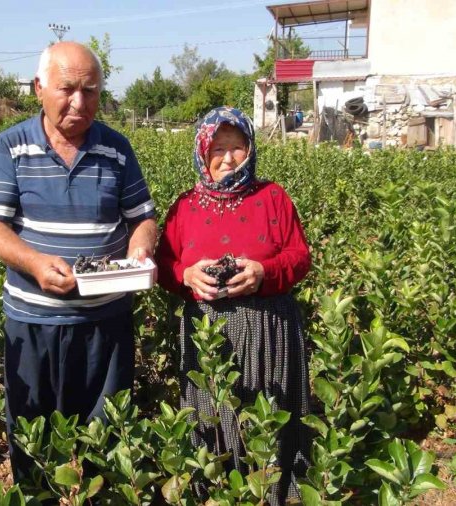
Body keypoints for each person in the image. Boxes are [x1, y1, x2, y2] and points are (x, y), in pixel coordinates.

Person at [0, 41, 158, 480]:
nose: (79, 102)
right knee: (33, 441)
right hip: (34, 323)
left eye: (90, 90)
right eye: (67, 89)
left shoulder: (117, 148)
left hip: (106, 323)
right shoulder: (10, 146)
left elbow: (142, 218)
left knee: (106, 439)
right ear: (39, 88)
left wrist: (139, 251)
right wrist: (36, 263)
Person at [155, 106, 311, 504]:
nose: (227, 158)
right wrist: (187, 275)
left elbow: (299, 257)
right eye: (218, 149)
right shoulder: (185, 206)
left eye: (237, 147)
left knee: (268, 417)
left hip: (268, 329)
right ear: (202, 152)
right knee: (213, 419)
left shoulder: (272, 197)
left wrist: (263, 272)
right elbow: (164, 265)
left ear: (250, 149)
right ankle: (216, 492)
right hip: (208, 335)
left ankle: (275, 494)